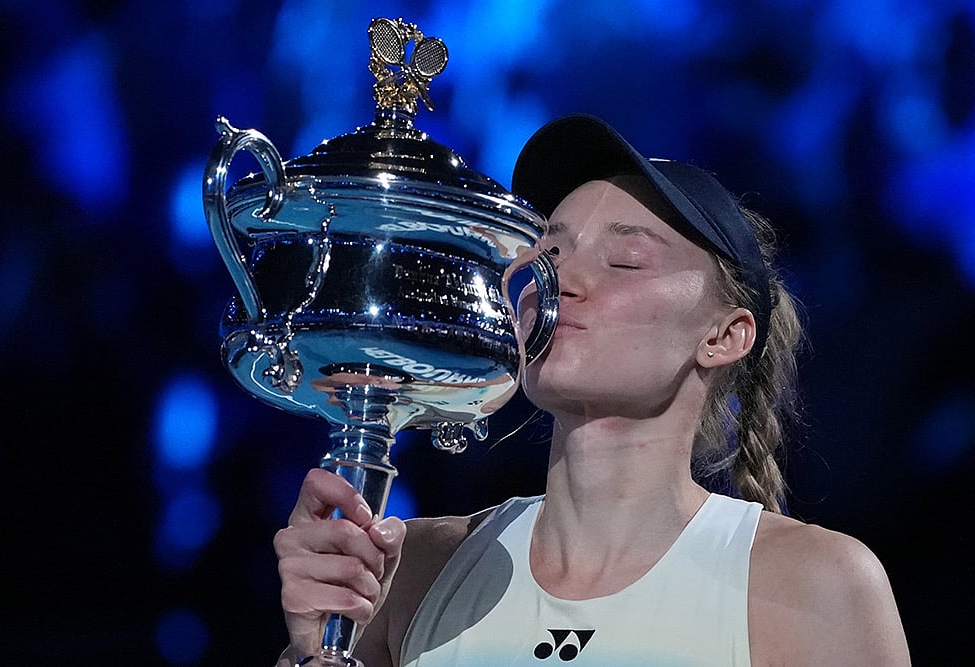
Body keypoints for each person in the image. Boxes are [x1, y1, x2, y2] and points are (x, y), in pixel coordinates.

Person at [273, 114, 911, 666]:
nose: (561, 282)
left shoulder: (815, 585)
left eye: (626, 260)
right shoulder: (409, 569)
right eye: (547, 256)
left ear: (724, 336)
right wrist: (314, 645)